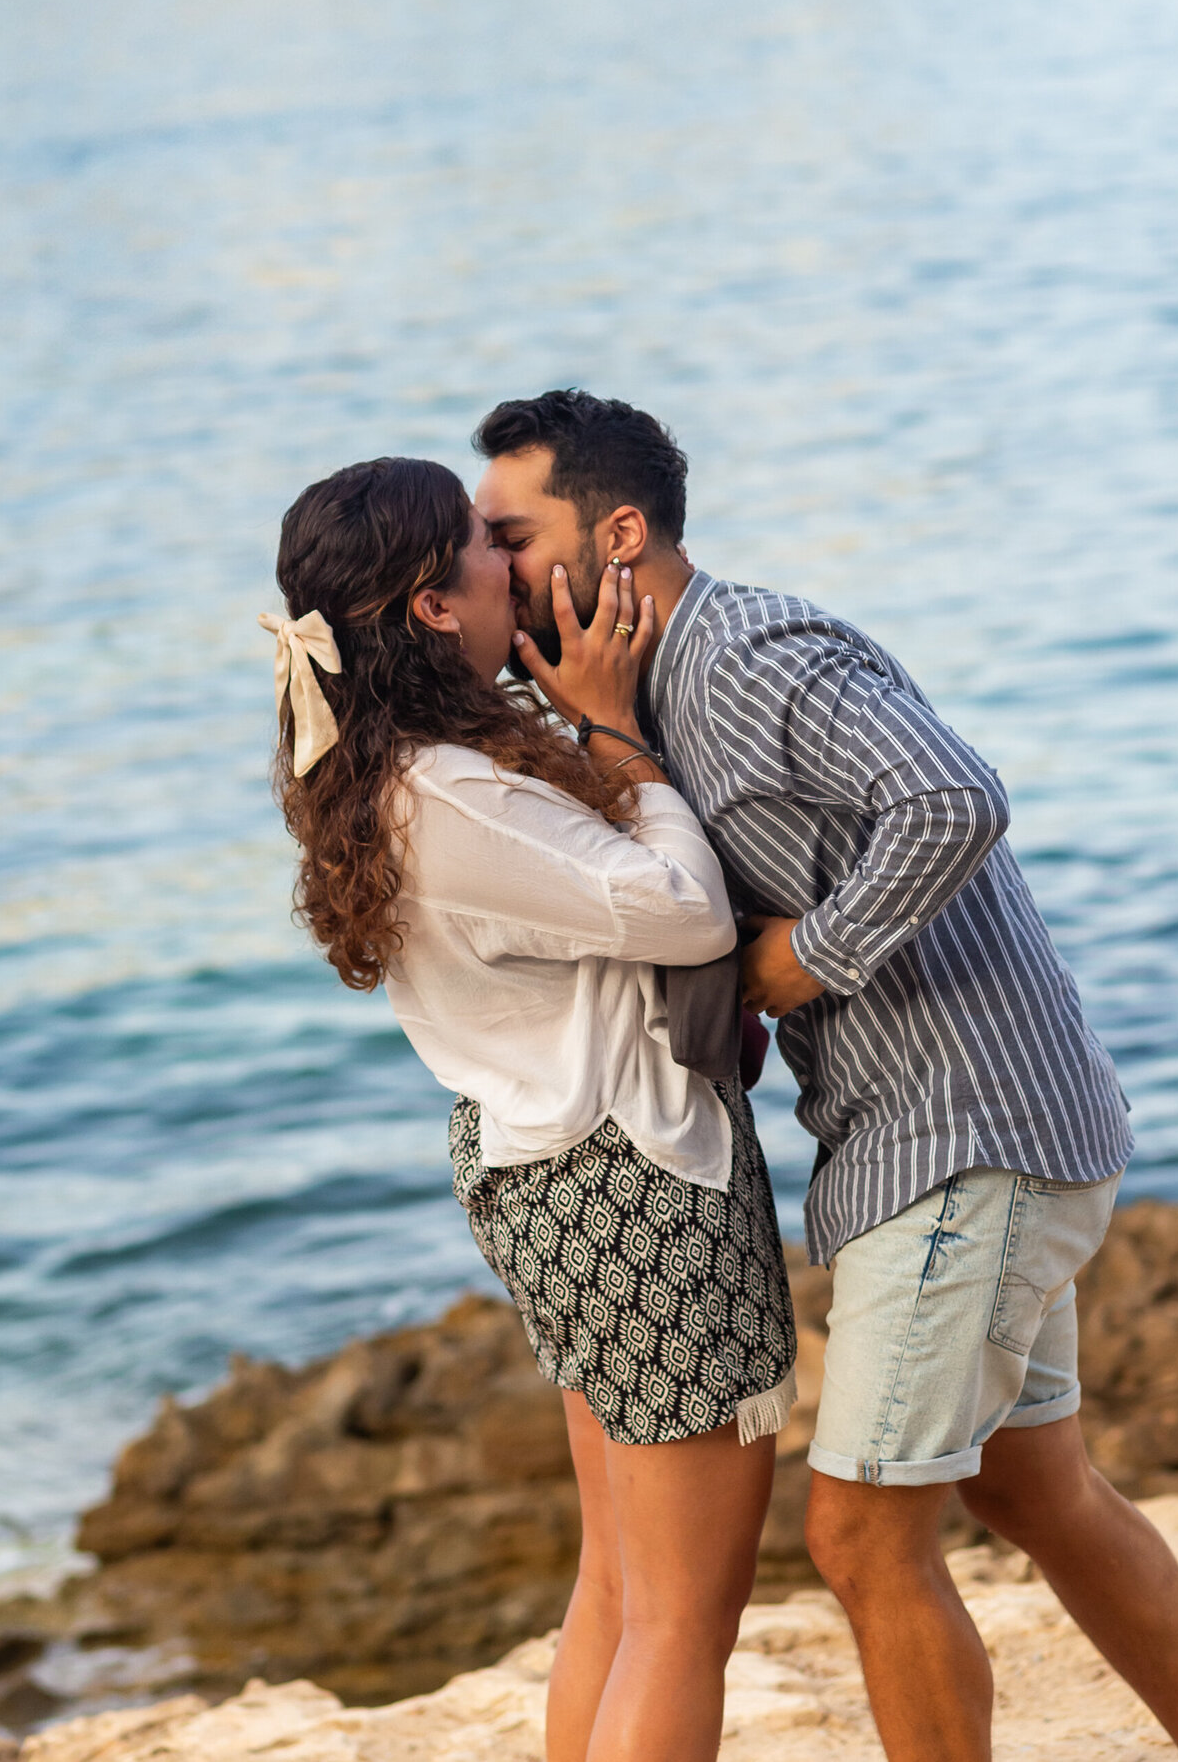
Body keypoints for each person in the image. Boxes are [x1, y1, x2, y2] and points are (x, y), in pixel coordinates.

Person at [474, 390, 1178, 1762]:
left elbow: (954, 796)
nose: (494, 564)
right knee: (1041, 1496)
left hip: (965, 1129)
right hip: (948, 1126)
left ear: (617, 533)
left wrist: (810, 955)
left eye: (511, 533)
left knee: (859, 1535)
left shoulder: (746, 654)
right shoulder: (630, 690)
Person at [262, 455, 797, 1762]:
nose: (517, 558)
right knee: (682, 1618)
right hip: (632, 1186)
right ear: (437, 605)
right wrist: (615, 725)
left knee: (618, 1587)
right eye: (486, 544)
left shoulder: (409, 758)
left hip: (553, 1179)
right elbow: (685, 915)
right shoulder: (452, 791)